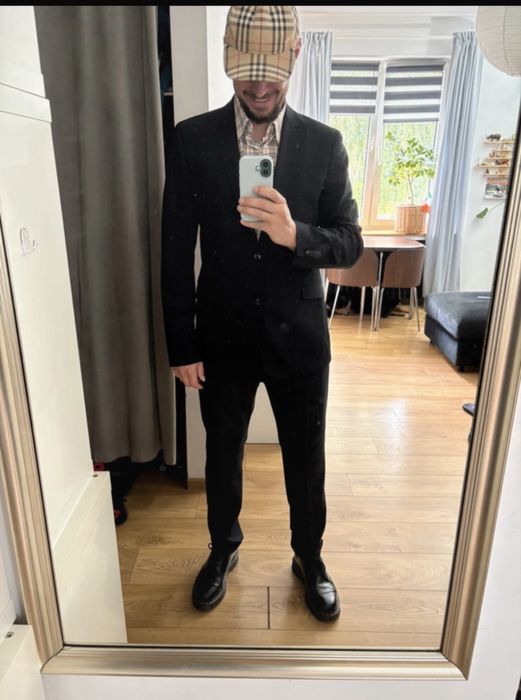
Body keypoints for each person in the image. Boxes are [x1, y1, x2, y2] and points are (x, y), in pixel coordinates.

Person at [161, 5, 363, 622]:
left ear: (294, 57)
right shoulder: (192, 139)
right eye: (246, 72)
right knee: (222, 453)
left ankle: (310, 557)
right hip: (220, 335)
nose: (257, 87)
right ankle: (223, 548)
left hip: (299, 336)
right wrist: (180, 344)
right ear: (229, 60)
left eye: (269, 74)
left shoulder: (325, 145)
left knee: (306, 456)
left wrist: (295, 234)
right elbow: (175, 246)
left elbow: (350, 243)